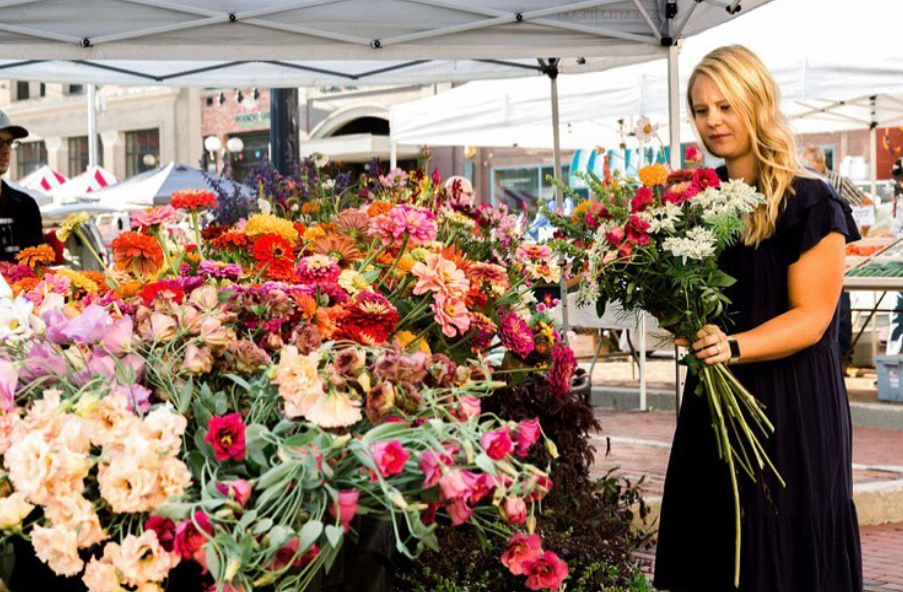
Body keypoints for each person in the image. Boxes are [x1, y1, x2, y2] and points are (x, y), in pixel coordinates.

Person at [653, 46, 863, 592]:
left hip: (791, 409)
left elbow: (813, 319)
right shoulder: (695, 203)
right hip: (715, 407)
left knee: (783, 552)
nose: (713, 121)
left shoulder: (811, 201)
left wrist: (733, 346)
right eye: (701, 111)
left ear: (758, 103)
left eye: (727, 105)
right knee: (715, 546)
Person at [800, 145, 868, 365]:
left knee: (839, 309)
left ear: (821, 164)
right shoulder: (803, 185)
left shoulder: (833, 184)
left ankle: (843, 355)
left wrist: (862, 234)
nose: (807, 170)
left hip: (835, 251)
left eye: (810, 166)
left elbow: (866, 203)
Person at [0, 109, 43, 262]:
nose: (6, 151)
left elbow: (38, 266)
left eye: (10, 143)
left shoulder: (26, 206)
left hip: (22, 285)